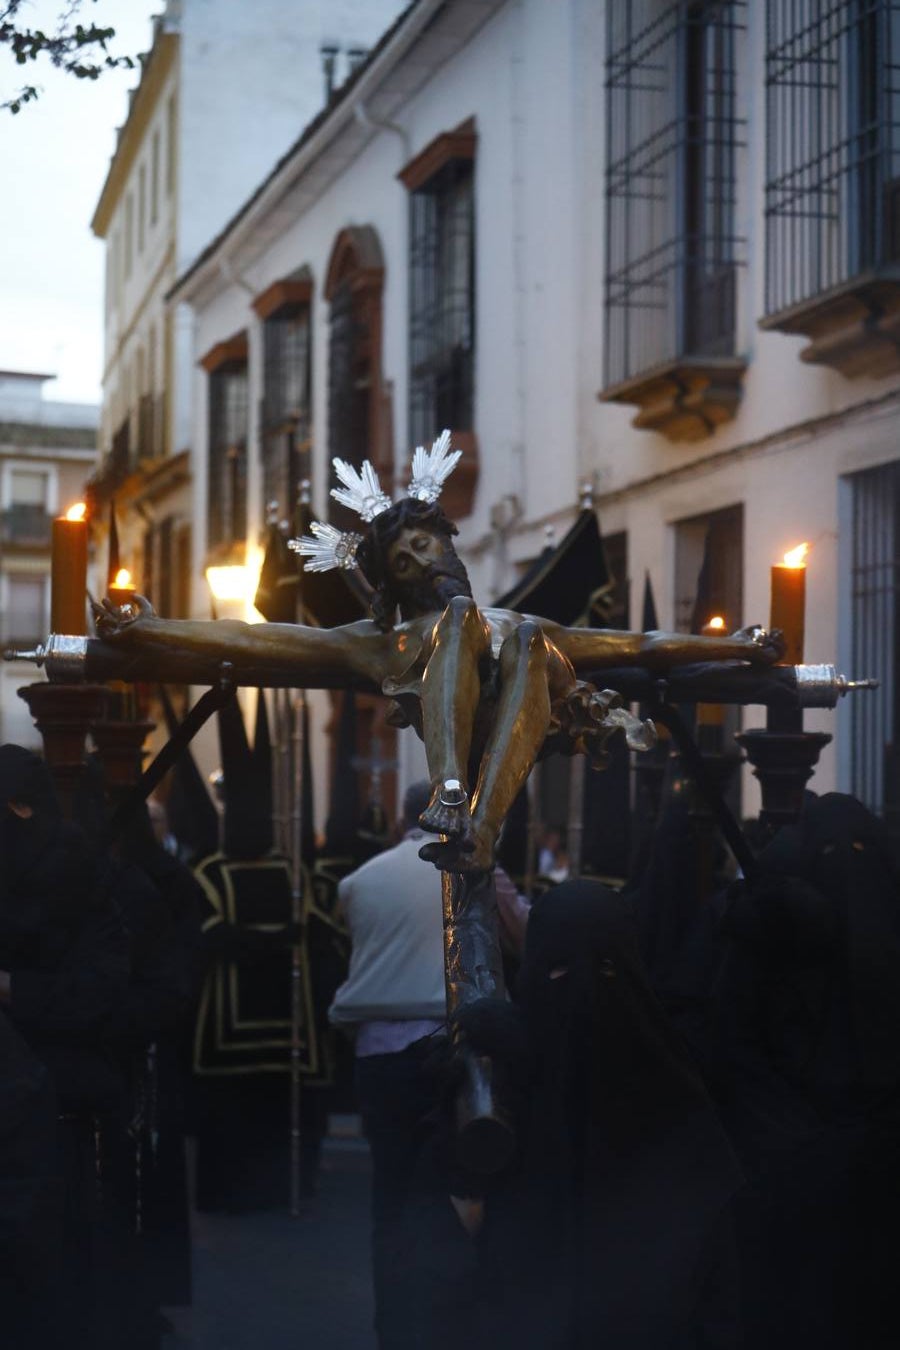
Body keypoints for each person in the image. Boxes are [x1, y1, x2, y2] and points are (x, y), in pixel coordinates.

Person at [92, 434, 784, 877]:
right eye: (403, 558)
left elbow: (642, 646)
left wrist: (737, 644)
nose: (421, 560)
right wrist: (155, 632)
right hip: (455, 725)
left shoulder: (520, 622)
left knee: (526, 637)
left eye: (426, 543)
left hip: (527, 699)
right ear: (391, 582)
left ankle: (469, 821)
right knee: (471, 623)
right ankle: (454, 796)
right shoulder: (378, 642)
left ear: (448, 543)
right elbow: (254, 639)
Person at [463, 879, 744, 1350]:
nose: (587, 988)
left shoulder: (669, 1092)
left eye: (608, 969)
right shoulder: (506, 1077)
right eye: (561, 972)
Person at [330, 779, 527, 1348]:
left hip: (380, 1056)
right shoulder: (475, 866)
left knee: (391, 1196)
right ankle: (451, 1319)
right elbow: (521, 935)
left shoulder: (361, 880)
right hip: (455, 1052)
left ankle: (393, 1322)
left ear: (404, 817)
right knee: (461, 1191)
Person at [712, 793, 900, 1350]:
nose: (848, 865)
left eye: (859, 852)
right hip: (795, 1175)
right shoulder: (775, 936)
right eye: (832, 853)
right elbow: (737, 1048)